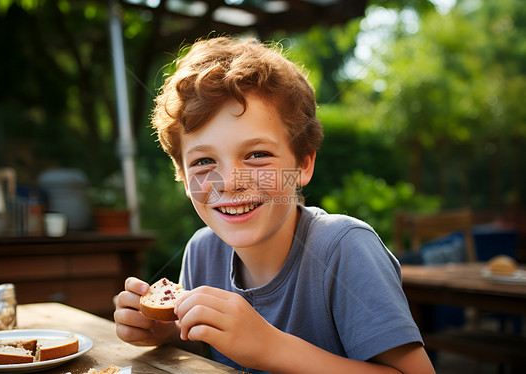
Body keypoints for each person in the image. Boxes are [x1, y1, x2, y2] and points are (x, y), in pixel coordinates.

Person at [114, 36, 435, 374]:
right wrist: (167, 332)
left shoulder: (345, 249)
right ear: (182, 175)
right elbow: (204, 350)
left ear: (303, 164)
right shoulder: (202, 252)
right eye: (203, 161)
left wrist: (270, 347)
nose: (230, 181)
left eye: (257, 155)